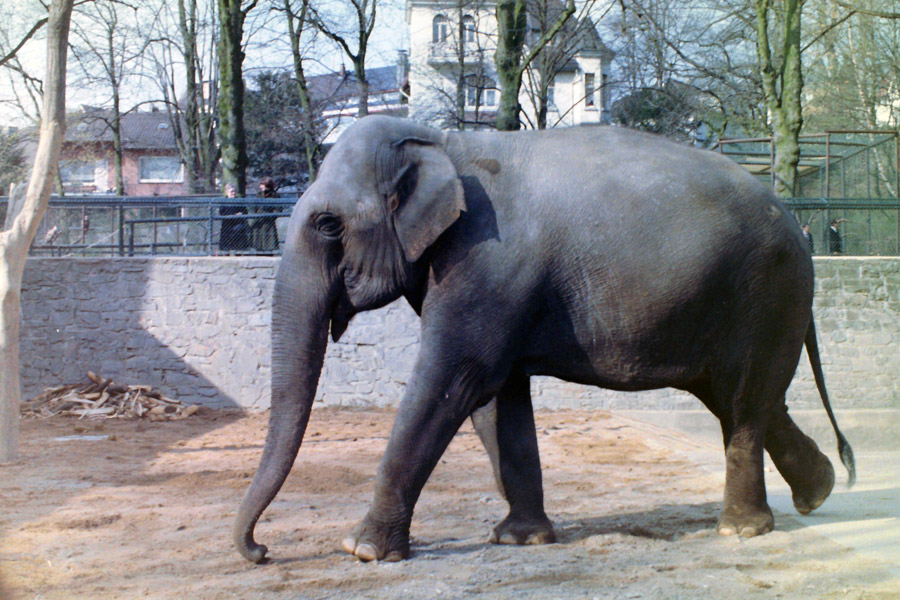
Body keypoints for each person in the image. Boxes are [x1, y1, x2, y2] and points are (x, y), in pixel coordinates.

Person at [250, 177, 280, 254]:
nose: (261, 187)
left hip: (269, 221)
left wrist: (272, 216)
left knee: (269, 240)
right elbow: (254, 207)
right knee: (258, 239)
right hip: (259, 220)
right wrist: (256, 215)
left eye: (262, 185)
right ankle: (258, 252)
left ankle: (269, 253)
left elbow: (278, 208)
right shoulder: (259, 194)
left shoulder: (275, 195)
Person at [219, 183, 249, 253]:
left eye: (234, 191)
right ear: (227, 192)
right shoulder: (224, 202)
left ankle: (239, 254)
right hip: (227, 226)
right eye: (231, 191)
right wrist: (234, 215)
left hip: (238, 225)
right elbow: (222, 213)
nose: (233, 193)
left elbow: (245, 211)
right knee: (226, 247)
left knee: (239, 245)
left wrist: (241, 214)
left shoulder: (239, 201)